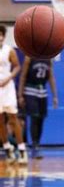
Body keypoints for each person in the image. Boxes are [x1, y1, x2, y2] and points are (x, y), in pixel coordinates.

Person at [18, 57, 58, 158]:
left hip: (42, 90)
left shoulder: (48, 58)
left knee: (41, 119)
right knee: (34, 118)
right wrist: (20, 95)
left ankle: (37, 144)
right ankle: (34, 145)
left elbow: (51, 77)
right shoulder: (28, 57)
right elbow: (23, 76)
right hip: (30, 89)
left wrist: (55, 96)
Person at [0, 25, 28, 164]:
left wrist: (8, 78)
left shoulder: (8, 50)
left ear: (3, 36)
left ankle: (22, 150)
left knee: (13, 118)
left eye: (0, 35)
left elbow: (17, 66)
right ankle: (7, 149)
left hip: (7, 87)